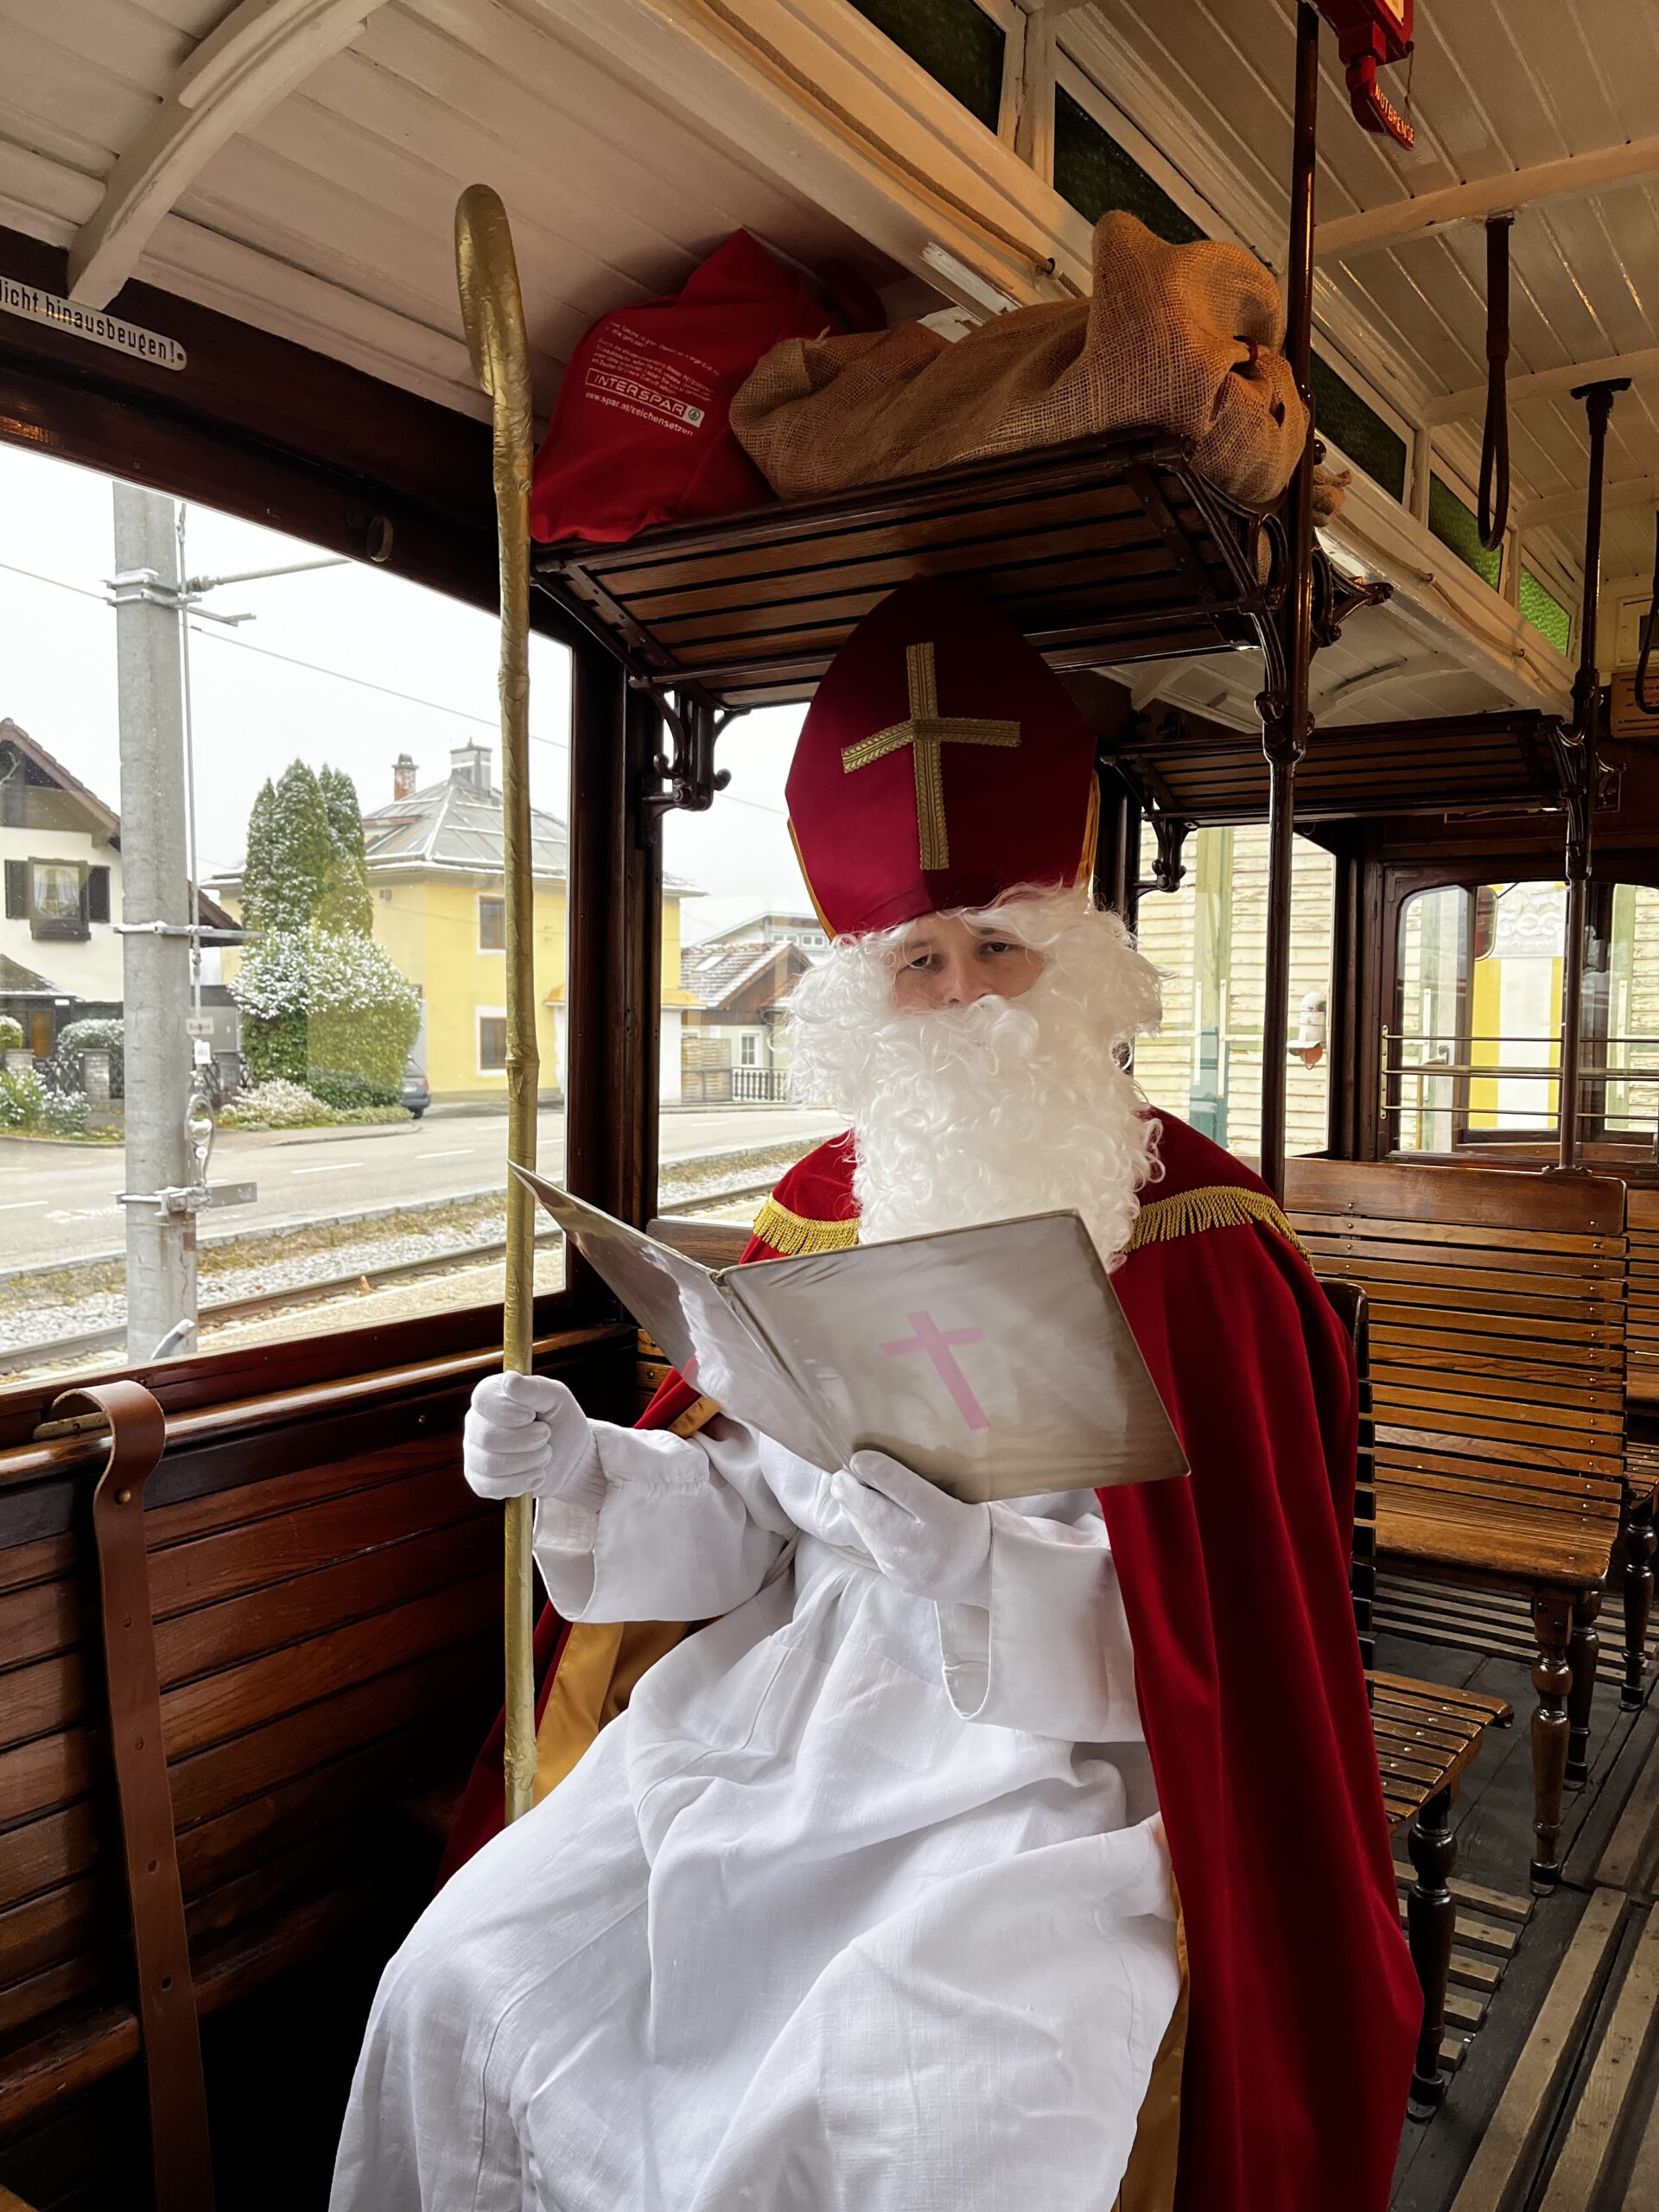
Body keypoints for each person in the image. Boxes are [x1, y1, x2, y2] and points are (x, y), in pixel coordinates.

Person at [332, 580, 1417, 2212]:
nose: (967, 995)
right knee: (460, 1981)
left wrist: (977, 1572)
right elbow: (757, 1525)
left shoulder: (1202, 1239)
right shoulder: (811, 1205)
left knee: (926, 2133)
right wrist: (590, 1477)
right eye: (920, 958)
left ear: (1073, 954)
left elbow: (1232, 1647)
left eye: (999, 944)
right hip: (780, 1721)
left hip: (1053, 1780)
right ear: (860, 983)